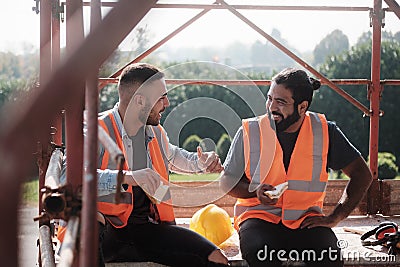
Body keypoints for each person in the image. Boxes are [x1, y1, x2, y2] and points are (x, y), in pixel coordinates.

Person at [219, 68, 373, 267]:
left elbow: (362, 174)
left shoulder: (325, 131)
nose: (271, 107)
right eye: (269, 98)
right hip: (258, 217)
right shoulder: (250, 131)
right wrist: (254, 193)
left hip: (306, 220)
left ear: (302, 107)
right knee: (261, 255)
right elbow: (226, 180)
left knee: (330, 257)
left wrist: (335, 217)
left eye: (281, 102)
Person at [85, 63, 227, 266]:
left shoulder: (155, 132)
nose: (167, 103)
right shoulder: (95, 130)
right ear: (140, 100)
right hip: (107, 234)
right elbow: (70, 176)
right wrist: (128, 178)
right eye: (161, 97)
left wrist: (200, 164)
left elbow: (173, 156)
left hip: (146, 232)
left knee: (215, 258)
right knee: (91, 221)